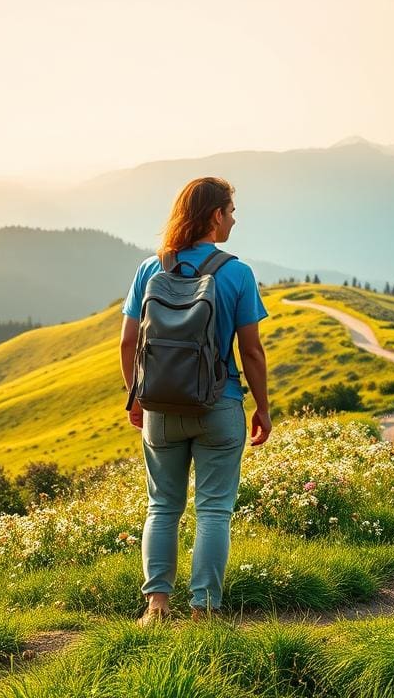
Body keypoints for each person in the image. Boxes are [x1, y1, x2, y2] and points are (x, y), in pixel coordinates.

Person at [119, 176, 272, 625]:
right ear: (214, 216)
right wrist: (261, 407)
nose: (234, 219)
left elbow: (129, 342)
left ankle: (157, 607)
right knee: (214, 510)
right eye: (231, 210)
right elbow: (252, 351)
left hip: (160, 409)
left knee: (163, 506)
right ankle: (204, 610)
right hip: (219, 405)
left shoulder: (151, 269)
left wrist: (137, 396)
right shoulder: (237, 273)